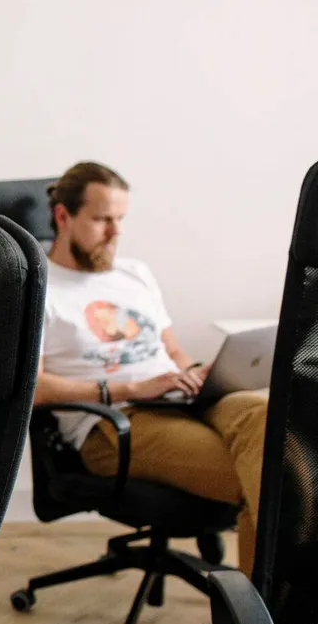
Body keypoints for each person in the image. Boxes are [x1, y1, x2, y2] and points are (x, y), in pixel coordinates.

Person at [34, 161, 268, 574]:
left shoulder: (134, 273)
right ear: (63, 216)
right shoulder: (38, 288)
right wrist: (128, 389)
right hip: (113, 422)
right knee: (268, 482)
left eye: (120, 219)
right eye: (102, 220)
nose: (116, 232)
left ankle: (274, 604)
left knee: (271, 418)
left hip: (181, 398)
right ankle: (268, 611)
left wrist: (199, 373)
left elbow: (173, 351)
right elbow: (30, 389)